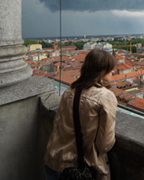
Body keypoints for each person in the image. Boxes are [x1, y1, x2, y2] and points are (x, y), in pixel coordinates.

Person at [44, 49, 118, 180]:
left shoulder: (70, 90)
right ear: (101, 70)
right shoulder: (105, 97)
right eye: (110, 68)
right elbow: (104, 144)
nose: (113, 71)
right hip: (76, 169)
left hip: (52, 161)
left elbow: (57, 124)